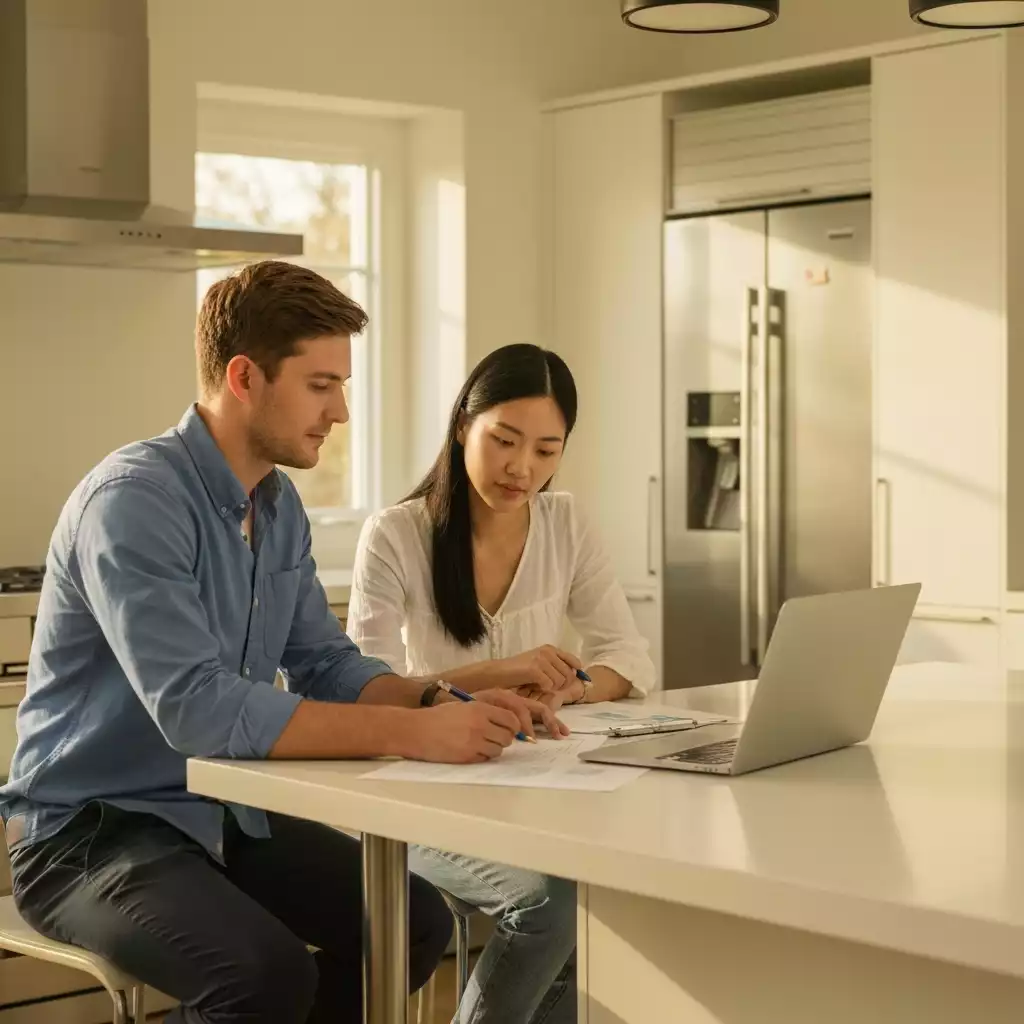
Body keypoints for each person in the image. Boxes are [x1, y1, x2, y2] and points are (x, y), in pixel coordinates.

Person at [0, 263, 562, 1024]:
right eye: (321, 384)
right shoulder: (134, 500)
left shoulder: (277, 505)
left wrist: (445, 698)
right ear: (244, 377)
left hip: (221, 812)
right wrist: (421, 733)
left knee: (411, 922)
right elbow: (196, 710)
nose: (341, 412)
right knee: (259, 976)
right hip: (91, 834)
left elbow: (325, 664)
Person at [347, 342, 656, 1024]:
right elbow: (363, 687)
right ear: (464, 426)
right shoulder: (396, 535)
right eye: (505, 440)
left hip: (541, 785)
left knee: (609, 904)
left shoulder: (565, 522)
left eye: (547, 450)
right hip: (422, 792)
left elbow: (630, 659)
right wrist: (498, 673)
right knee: (549, 905)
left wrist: (567, 690)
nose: (523, 468)